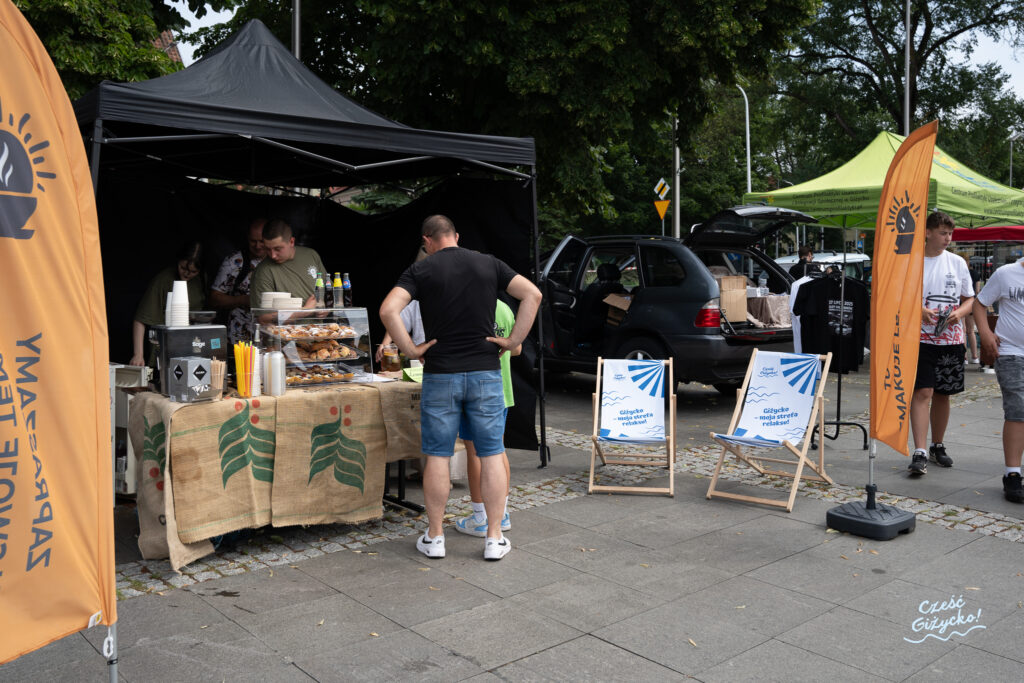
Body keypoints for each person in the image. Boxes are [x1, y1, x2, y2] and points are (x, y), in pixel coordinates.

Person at [380, 215, 541, 562]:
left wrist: (411, 350)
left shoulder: (420, 271)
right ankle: (494, 538)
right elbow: (533, 294)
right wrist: (514, 341)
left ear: (427, 241)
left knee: (438, 454)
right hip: (485, 373)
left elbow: (388, 310)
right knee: (491, 452)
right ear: (456, 236)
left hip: (440, 374)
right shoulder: (488, 263)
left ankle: (435, 537)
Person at [908, 211, 975, 476]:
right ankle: (920, 450)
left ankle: (938, 444)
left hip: (951, 338)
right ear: (927, 232)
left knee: (943, 394)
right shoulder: (912, 261)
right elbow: (898, 298)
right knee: (923, 392)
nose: (948, 238)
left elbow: (970, 298)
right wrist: (919, 310)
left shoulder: (957, 262)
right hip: (920, 337)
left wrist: (959, 313)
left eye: (950, 233)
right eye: (942, 233)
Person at [454, 299, 519, 537]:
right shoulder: (503, 307)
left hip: (477, 390)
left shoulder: (469, 306)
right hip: (502, 390)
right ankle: (502, 514)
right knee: (498, 450)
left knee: (476, 454)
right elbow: (518, 348)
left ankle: (481, 516)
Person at [973, 257, 1024, 502]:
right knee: (1018, 409)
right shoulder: (1006, 274)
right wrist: (985, 333)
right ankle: (1012, 473)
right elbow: (980, 303)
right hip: (1012, 352)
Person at [130, 241, 206, 367]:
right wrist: (138, 354)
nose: (187, 274)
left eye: (193, 271)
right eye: (183, 268)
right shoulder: (163, 280)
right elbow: (141, 318)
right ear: (178, 261)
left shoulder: (201, 280)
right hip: (164, 351)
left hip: (193, 349)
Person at [248, 217, 326, 312]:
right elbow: (263, 318)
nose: (272, 255)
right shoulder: (262, 271)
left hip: (318, 326)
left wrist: (323, 306)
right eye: (268, 249)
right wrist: (305, 311)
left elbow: (326, 290)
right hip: (282, 327)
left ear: (291, 242)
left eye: (277, 249)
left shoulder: (311, 255)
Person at [210, 218, 267, 345]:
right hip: (239, 340)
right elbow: (214, 298)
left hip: (271, 339)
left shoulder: (279, 260)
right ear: (247, 238)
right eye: (253, 241)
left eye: (262, 241)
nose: (257, 246)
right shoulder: (234, 262)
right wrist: (243, 300)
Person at [963, 256, 982, 365]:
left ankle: (964, 357)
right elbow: (978, 290)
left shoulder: (959, 271)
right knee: (971, 331)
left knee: (963, 331)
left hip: (961, 303)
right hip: (972, 303)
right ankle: (975, 356)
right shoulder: (975, 273)